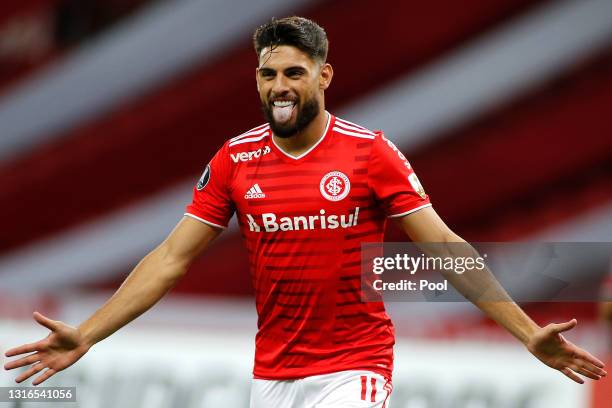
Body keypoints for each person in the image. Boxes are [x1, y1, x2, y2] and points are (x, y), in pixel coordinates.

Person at [3, 16, 606, 408]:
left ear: (325, 75)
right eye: (268, 75)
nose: (279, 86)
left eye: (294, 72)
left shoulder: (370, 154)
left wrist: (528, 333)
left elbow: (446, 250)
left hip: (355, 368)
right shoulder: (237, 160)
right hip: (272, 377)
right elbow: (169, 259)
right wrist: (87, 333)